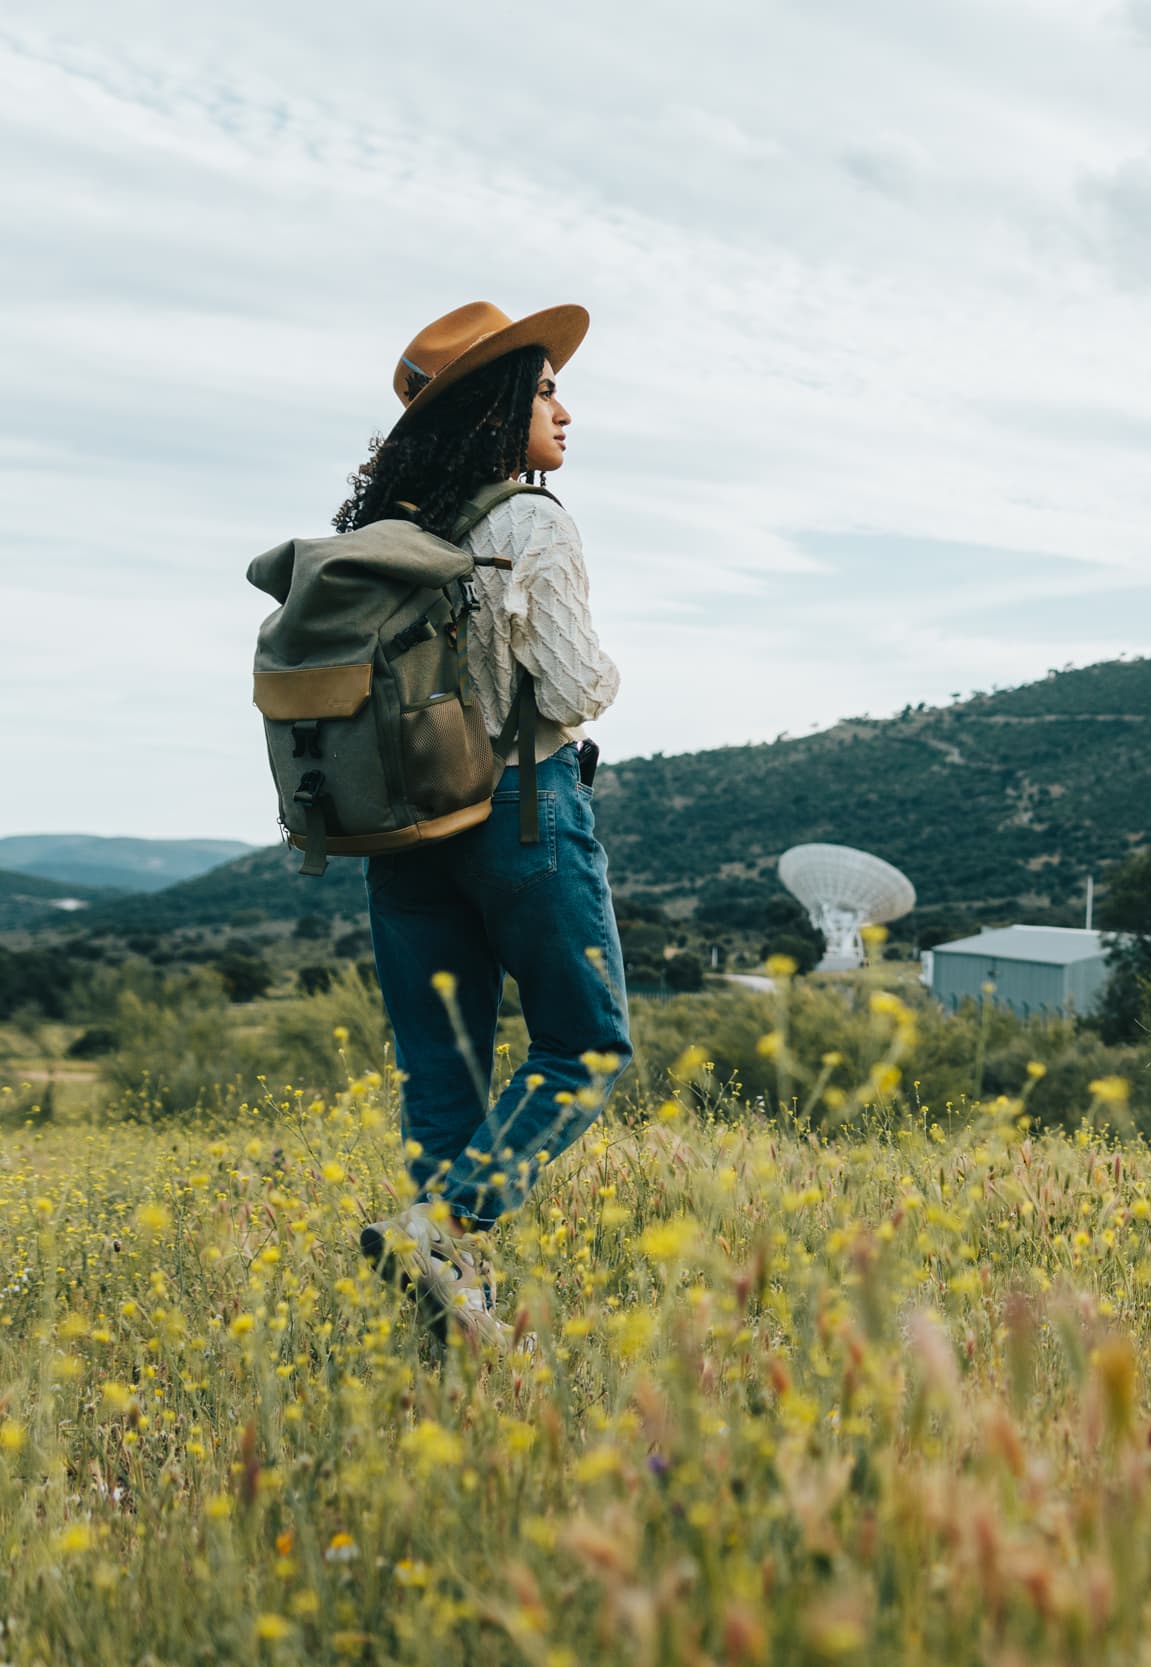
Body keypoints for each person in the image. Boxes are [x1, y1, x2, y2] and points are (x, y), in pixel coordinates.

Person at [337, 302, 629, 1349]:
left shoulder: (388, 532)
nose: (564, 407)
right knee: (585, 1043)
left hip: (403, 832)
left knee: (443, 1072)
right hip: (519, 806)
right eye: (545, 388)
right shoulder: (529, 521)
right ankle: (444, 1229)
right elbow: (573, 681)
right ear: (500, 407)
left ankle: (450, 1322)